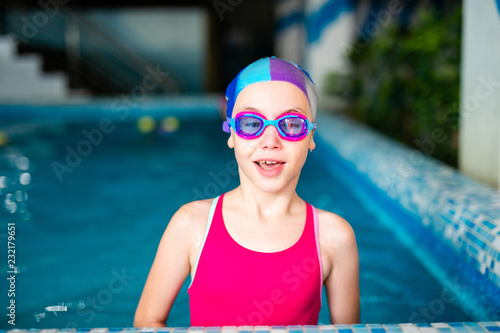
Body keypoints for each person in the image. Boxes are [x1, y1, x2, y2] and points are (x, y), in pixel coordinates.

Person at [133, 57, 360, 327]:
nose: (270, 142)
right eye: (252, 124)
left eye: (291, 124)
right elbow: (147, 323)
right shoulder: (192, 224)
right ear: (231, 134)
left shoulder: (334, 236)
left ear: (311, 136)